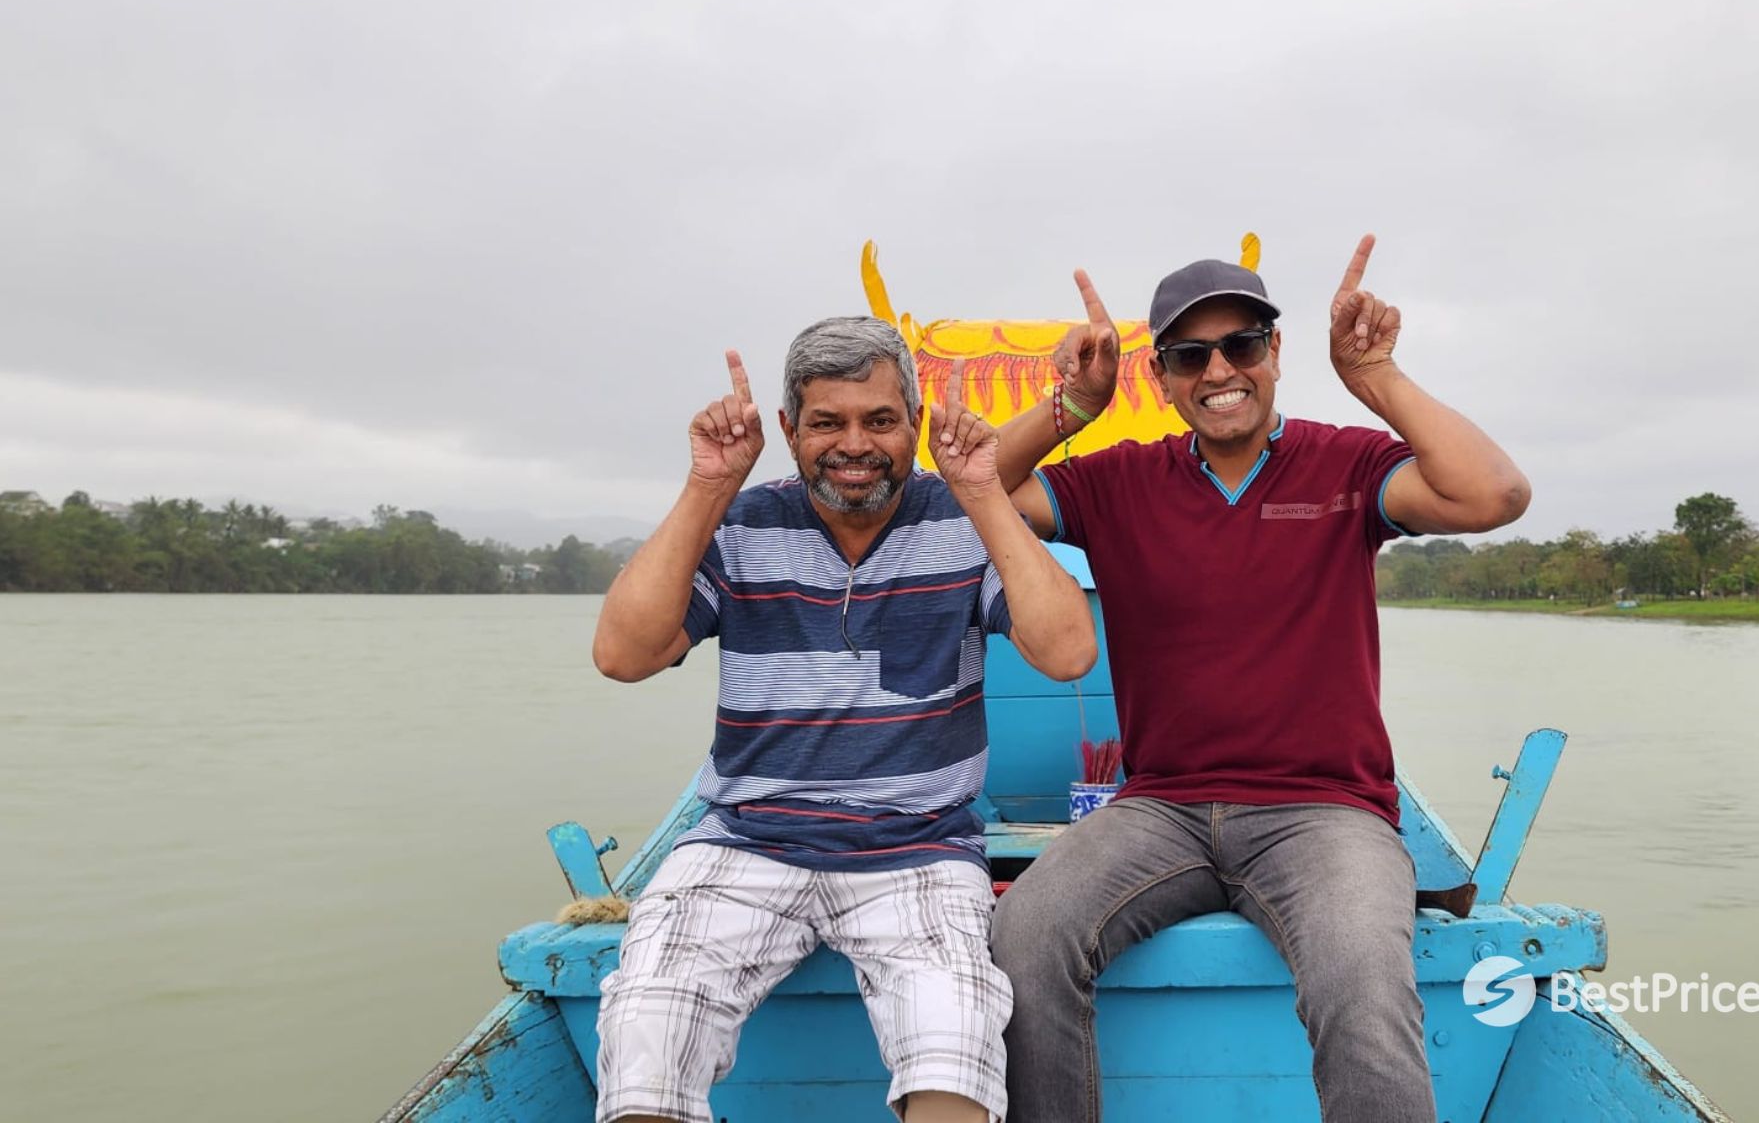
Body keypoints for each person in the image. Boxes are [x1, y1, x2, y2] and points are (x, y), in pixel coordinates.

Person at [986, 236, 1531, 1123]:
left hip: (1325, 811)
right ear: (1161, 377)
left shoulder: (1346, 465)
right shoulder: (1120, 482)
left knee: (1361, 974)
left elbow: (1495, 496)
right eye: (1190, 355)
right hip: (1159, 807)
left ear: (1275, 353)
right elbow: (974, 490)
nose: (1219, 370)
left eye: (1242, 344)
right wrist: (1071, 408)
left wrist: (1377, 376)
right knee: (1024, 937)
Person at [591, 316, 1098, 1123]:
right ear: (790, 431)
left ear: (914, 427)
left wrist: (980, 490)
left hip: (919, 849)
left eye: (880, 420)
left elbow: (1068, 652)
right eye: (827, 422)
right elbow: (623, 653)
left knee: (955, 1048)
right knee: (646, 1025)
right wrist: (707, 487)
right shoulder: (742, 524)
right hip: (747, 844)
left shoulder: (962, 521)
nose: (854, 444)